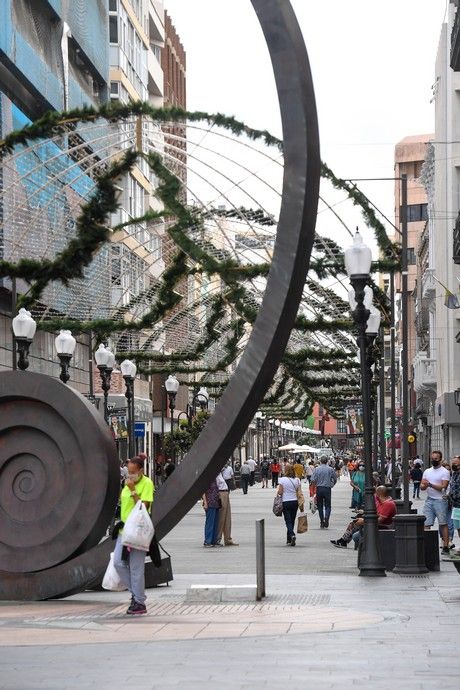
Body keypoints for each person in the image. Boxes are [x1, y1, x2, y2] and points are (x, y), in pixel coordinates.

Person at [113, 456, 154, 615]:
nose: (130, 476)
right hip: (124, 531)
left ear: (141, 471)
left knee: (136, 568)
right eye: (128, 473)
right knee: (118, 563)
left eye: (133, 472)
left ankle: (139, 602)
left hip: (138, 531)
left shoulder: (147, 484)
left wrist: (133, 491)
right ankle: (136, 594)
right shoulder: (126, 484)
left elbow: (143, 507)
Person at [331, 485, 396, 549]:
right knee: (354, 523)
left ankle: (344, 541)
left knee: (355, 536)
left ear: (379, 494)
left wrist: (364, 521)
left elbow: (380, 520)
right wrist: (363, 514)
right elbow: (375, 511)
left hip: (382, 526)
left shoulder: (388, 504)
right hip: (375, 524)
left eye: (376, 493)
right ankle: (343, 541)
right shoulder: (381, 501)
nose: (375, 495)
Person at [420, 450, 451, 555]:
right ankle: (427, 546)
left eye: (436, 459)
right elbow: (422, 486)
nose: (434, 460)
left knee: (443, 523)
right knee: (426, 523)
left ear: (440, 459)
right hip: (429, 499)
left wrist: (430, 485)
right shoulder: (427, 471)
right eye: (432, 459)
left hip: (440, 500)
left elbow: (443, 487)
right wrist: (424, 486)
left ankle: (446, 545)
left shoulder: (445, 472)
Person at [277, 463, 303, 546]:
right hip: (294, 502)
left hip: (286, 502)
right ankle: (289, 539)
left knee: (288, 521)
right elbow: (299, 492)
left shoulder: (282, 480)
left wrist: (278, 492)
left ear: (286, 470)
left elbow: (280, 492)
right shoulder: (297, 480)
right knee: (292, 520)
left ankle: (292, 535)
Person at [310, 455, 337, 528]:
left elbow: (312, 479)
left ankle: (322, 521)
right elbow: (335, 478)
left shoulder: (316, 469)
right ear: (327, 461)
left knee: (320, 506)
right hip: (327, 489)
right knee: (328, 505)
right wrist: (332, 484)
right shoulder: (330, 469)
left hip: (319, 488)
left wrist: (316, 484)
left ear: (321, 461)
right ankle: (327, 518)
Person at [214, 472, 239, 546]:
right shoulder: (215, 474)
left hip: (225, 493)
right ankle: (217, 538)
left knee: (227, 517)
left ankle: (228, 539)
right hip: (221, 494)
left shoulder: (220, 473)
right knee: (221, 517)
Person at [202, 477, 221, 547]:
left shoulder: (215, 478)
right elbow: (203, 492)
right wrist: (205, 502)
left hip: (216, 503)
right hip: (210, 502)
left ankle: (214, 540)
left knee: (215, 523)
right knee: (210, 522)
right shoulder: (206, 479)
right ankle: (207, 541)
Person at [450, 457, 460, 554]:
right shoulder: (454, 474)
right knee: (458, 527)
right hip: (456, 505)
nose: (454, 465)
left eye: (456, 464)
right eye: (453, 463)